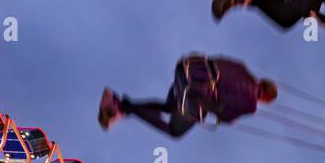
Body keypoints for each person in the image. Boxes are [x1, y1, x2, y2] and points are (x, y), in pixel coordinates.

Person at [98, 54, 277, 137]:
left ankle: (119, 104)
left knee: (169, 107)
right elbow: (226, 116)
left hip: (186, 72)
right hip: (194, 96)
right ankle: (121, 107)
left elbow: (215, 60)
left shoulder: (241, 67)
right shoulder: (251, 105)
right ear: (265, 98)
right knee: (174, 130)